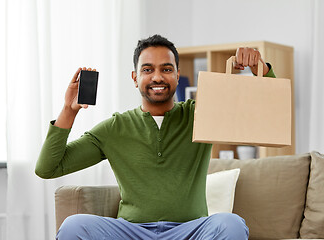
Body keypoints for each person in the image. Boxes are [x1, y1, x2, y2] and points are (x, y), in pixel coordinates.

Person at [35, 34, 275, 240]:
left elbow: (267, 116)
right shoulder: (114, 128)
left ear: (178, 75)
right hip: (131, 232)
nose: (157, 77)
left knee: (231, 224)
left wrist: (261, 70)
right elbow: (48, 168)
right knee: (73, 226)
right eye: (147, 70)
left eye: (166, 69)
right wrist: (69, 109)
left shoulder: (201, 114)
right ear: (134, 77)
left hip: (189, 231)